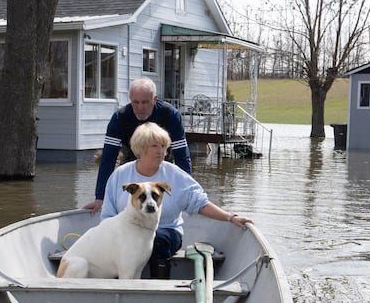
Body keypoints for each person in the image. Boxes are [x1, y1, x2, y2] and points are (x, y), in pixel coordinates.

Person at [101, 122, 251, 278]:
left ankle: (159, 286)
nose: (161, 152)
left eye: (164, 146)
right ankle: (117, 288)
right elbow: (108, 215)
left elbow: (200, 202)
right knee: (119, 246)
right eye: (155, 146)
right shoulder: (120, 175)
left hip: (167, 232)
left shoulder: (175, 174)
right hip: (128, 234)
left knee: (157, 239)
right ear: (141, 148)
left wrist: (230, 217)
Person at [86, 76, 192, 214]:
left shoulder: (170, 115)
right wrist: (100, 197)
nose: (140, 107)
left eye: (145, 102)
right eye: (135, 102)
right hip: (132, 164)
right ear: (130, 99)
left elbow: (182, 156)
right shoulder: (120, 118)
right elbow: (108, 159)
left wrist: (188, 193)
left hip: (163, 163)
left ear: (155, 99)